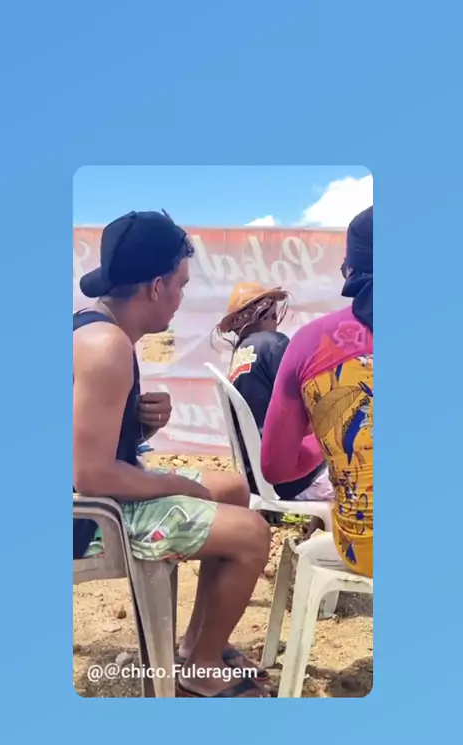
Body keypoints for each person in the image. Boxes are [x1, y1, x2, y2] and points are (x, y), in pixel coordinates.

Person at [73, 210, 272, 697]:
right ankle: (201, 670)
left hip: (91, 498)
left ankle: (197, 644)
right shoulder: (106, 346)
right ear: (157, 286)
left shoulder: (94, 329)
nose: (182, 297)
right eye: (181, 285)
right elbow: (91, 474)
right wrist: (174, 483)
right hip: (86, 521)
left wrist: (139, 423)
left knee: (231, 487)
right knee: (251, 534)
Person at [261, 207, 373, 577]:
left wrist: (330, 440)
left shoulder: (310, 343)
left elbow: (275, 468)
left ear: (351, 269)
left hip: (365, 549)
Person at [214, 282, 334, 508]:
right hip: (292, 478)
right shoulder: (274, 344)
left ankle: (319, 528)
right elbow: (311, 410)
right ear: (266, 311)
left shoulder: (240, 356)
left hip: (256, 477)